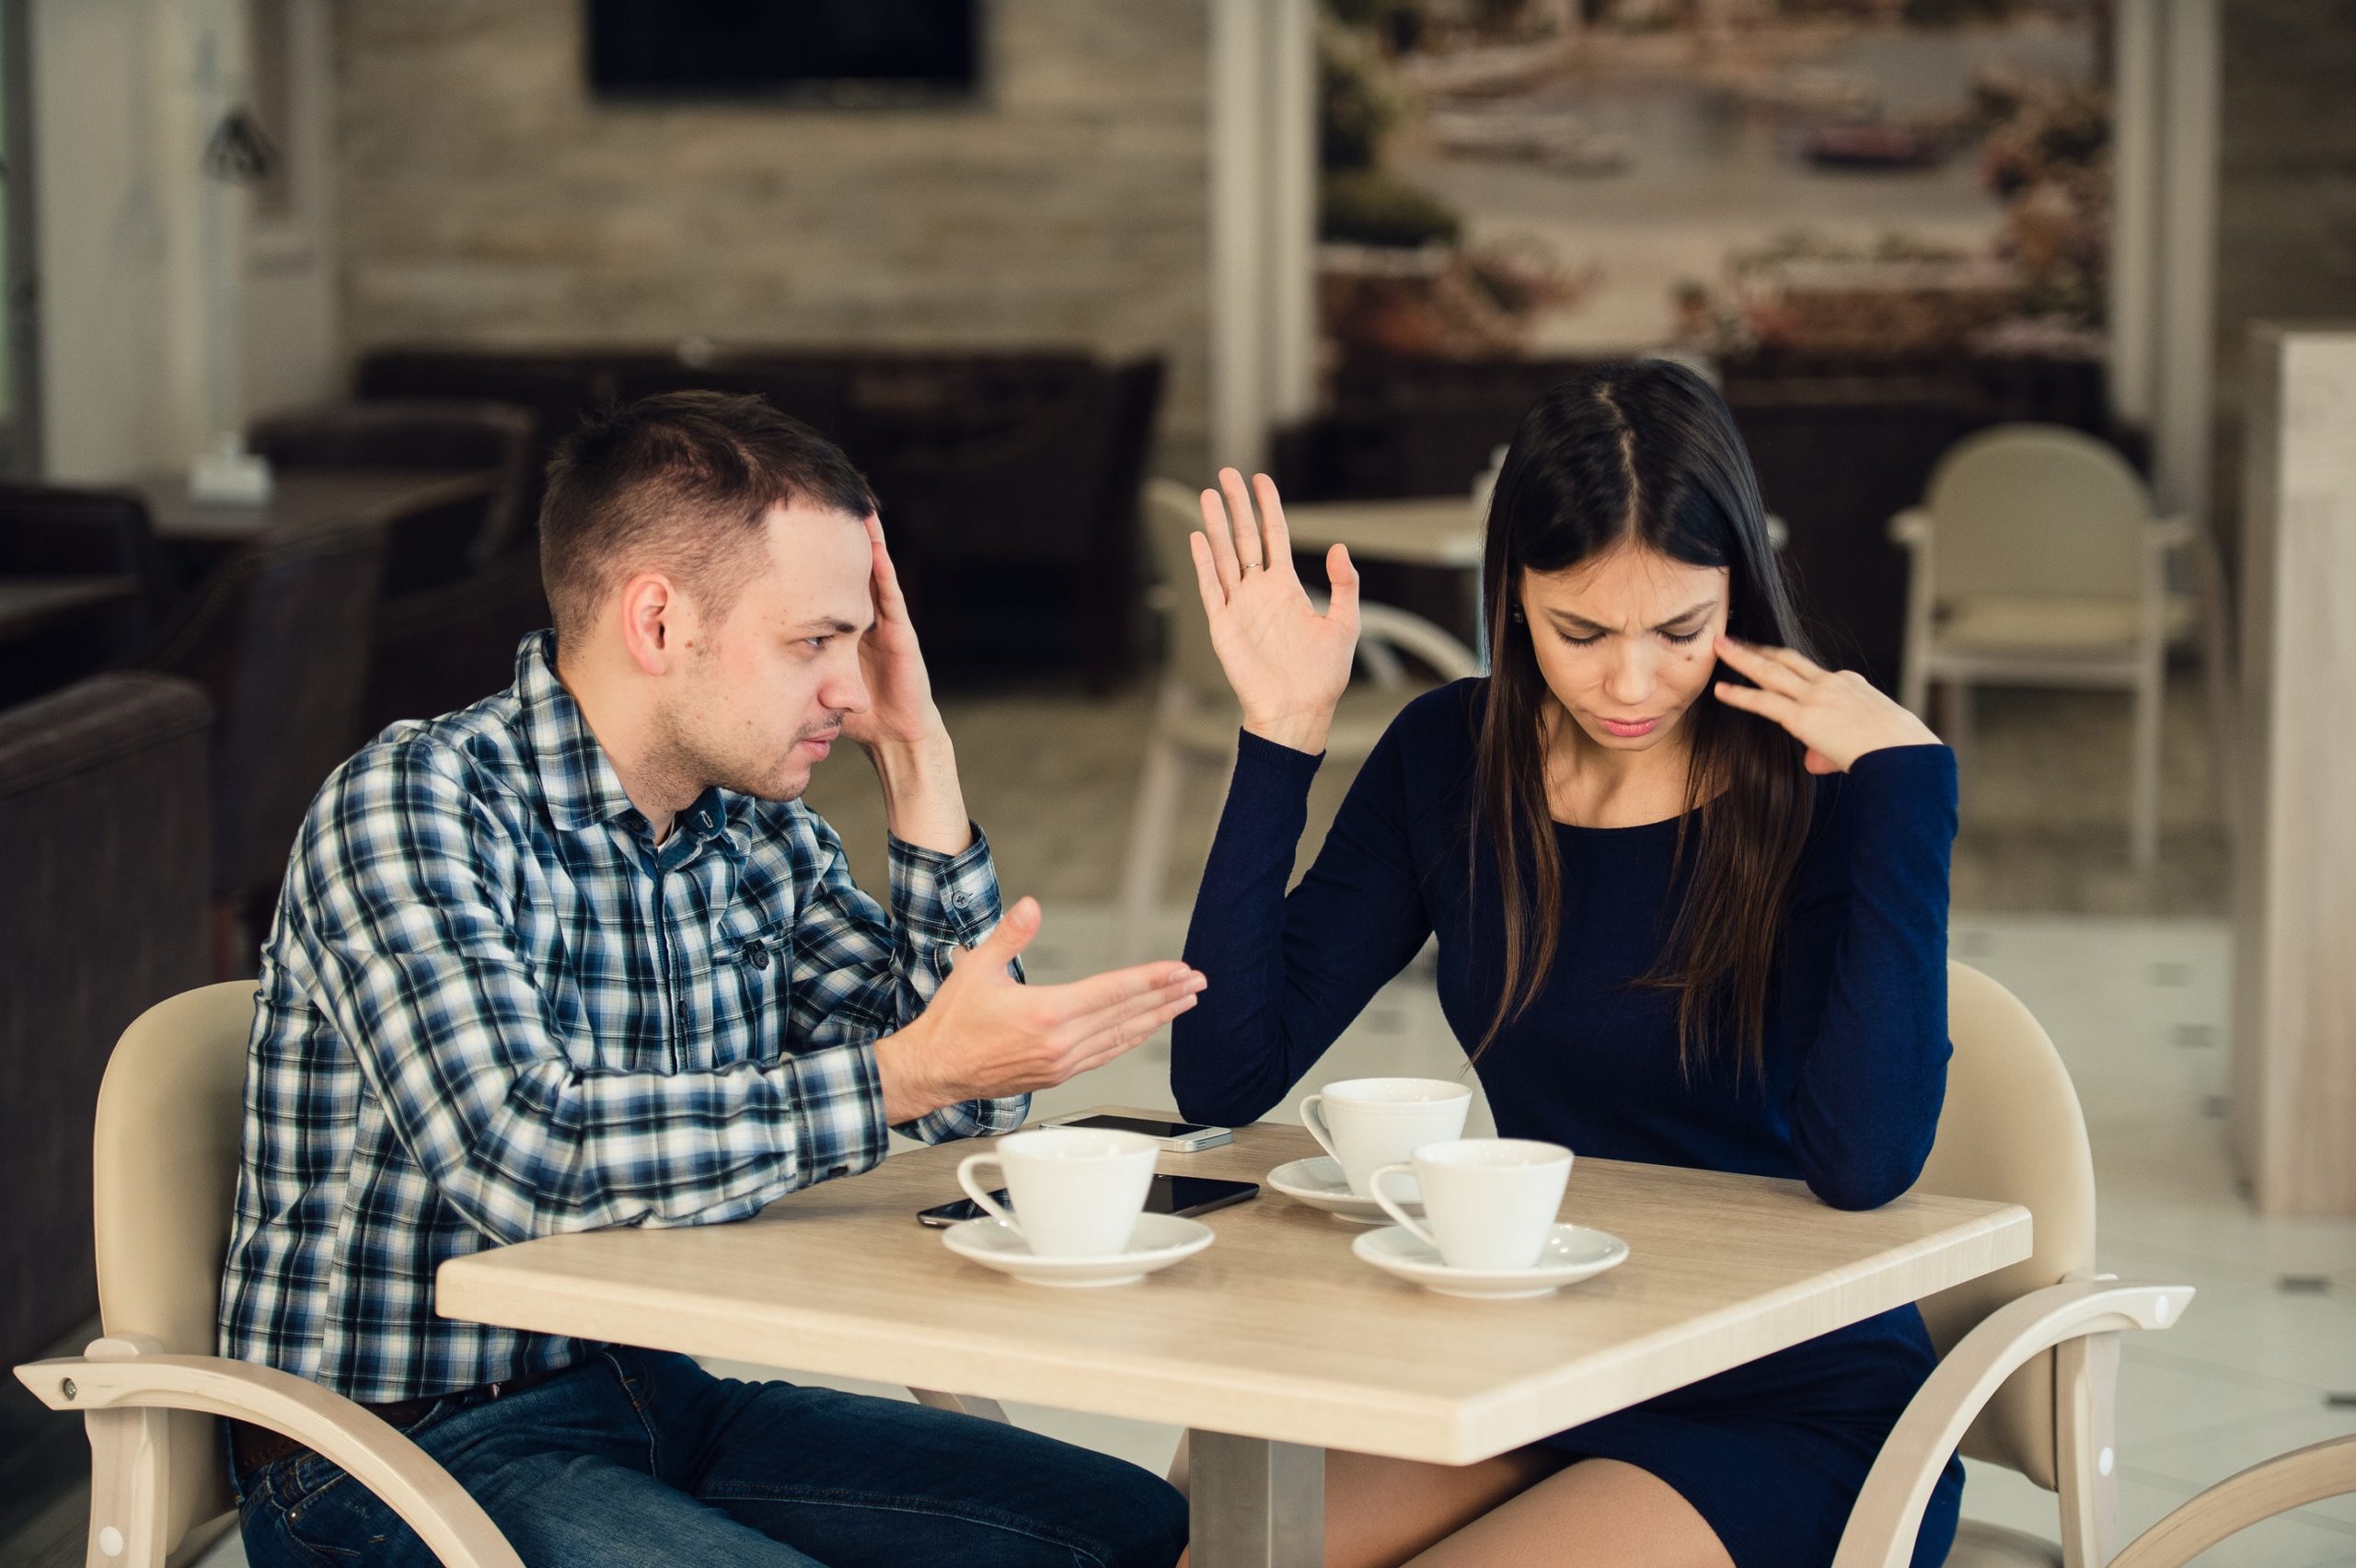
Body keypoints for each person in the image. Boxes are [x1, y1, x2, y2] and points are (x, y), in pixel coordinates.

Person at [218, 390, 1198, 1568]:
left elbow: (967, 1102)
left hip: (646, 1393)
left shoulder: (747, 831)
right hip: (385, 1454)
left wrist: (919, 757)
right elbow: (519, 1152)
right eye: (815, 640)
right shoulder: (414, 804)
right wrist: (899, 1073)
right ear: (658, 622)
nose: (849, 683)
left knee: (1132, 1530)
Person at [1170, 360, 1957, 1568]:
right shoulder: (1450, 757)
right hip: (1540, 1352)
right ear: (1512, 597)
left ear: (1736, 594)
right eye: (1580, 630)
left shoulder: (1830, 782)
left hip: (1795, 1397)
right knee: (1224, 1551)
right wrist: (1282, 736)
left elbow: (1863, 1169)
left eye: (1680, 631)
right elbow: (1224, 1078)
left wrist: (1907, 792)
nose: (1629, 682)